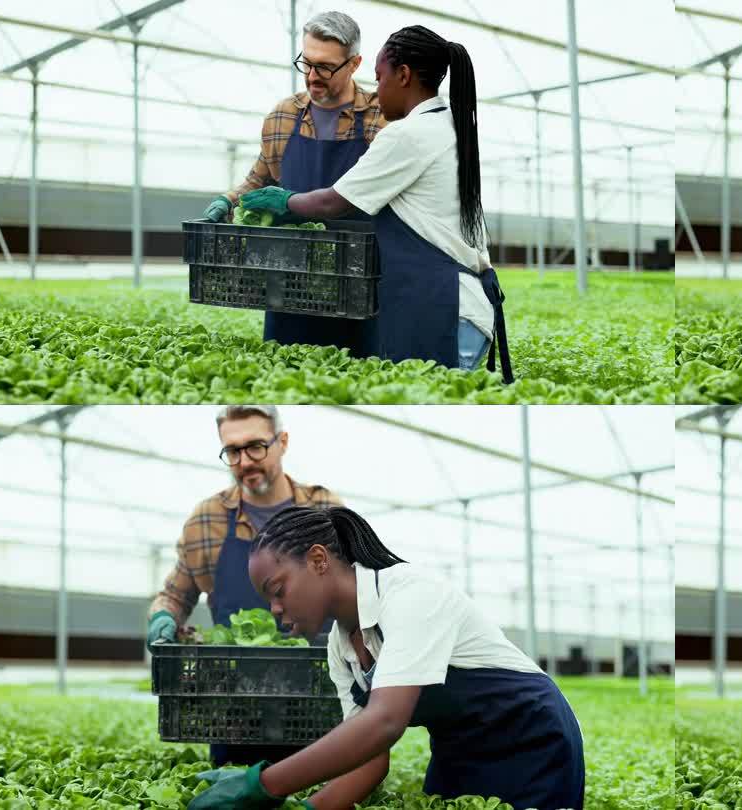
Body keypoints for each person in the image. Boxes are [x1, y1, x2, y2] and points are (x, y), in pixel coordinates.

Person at [187, 506, 585, 810]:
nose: (274, 609)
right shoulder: (340, 645)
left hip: (532, 738)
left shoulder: (411, 595)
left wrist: (262, 785)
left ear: (319, 560)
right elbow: (369, 762)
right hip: (460, 750)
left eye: (278, 589)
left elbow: (385, 721)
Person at [240, 26, 512, 382]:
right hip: (458, 306)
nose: (377, 91)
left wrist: (286, 200)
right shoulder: (449, 124)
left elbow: (333, 202)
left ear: (404, 75)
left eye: (380, 78)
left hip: (441, 310)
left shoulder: (408, 134)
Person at [145, 405, 343, 767]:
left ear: (282, 442)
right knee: (235, 787)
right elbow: (175, 594)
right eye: (233, 451)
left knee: (318, 784)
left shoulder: (324, 509)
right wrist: (162, 618)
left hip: (316, 695)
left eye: (256, 446)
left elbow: (354, 588)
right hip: (233, 702)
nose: (245, 461)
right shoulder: (206, 520)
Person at [197, 11, 387, 355]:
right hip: (288, 283)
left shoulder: (380, 115)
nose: (312, 77)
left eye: (326, 67)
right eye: (307, 63)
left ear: (355, 64)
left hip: (358, 285)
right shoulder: (282, 116)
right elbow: (261, 180)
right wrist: (229, 200)